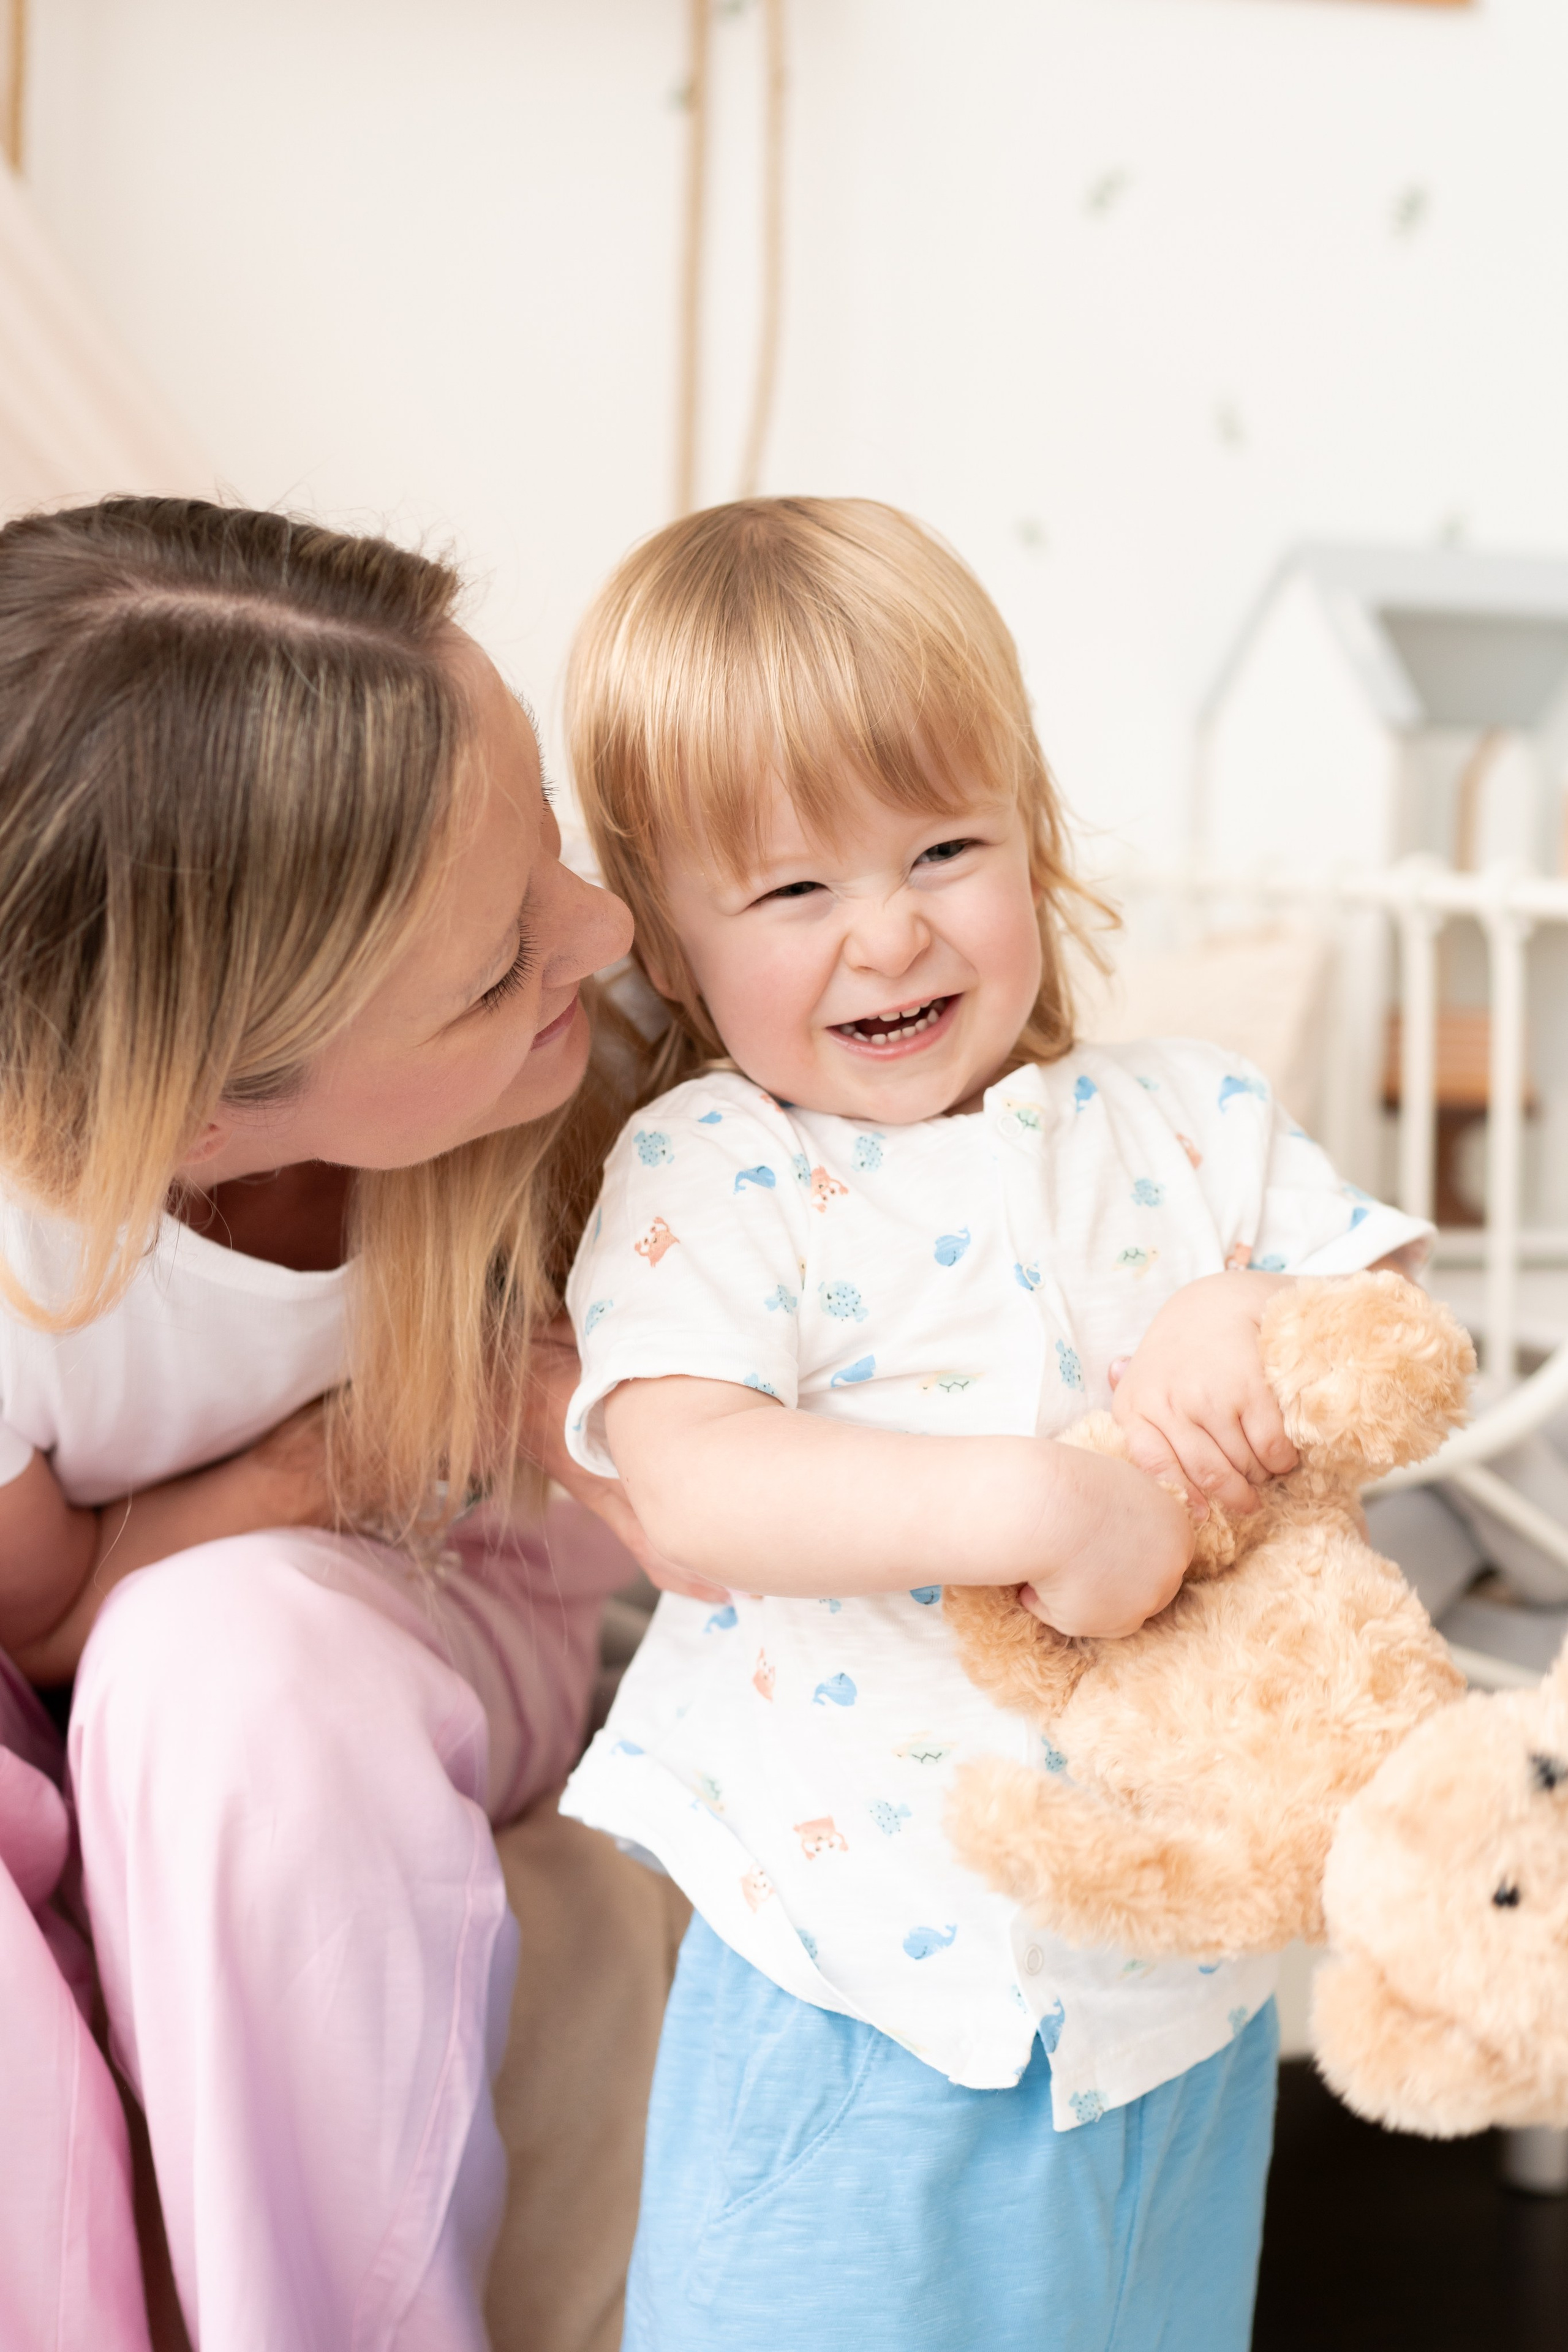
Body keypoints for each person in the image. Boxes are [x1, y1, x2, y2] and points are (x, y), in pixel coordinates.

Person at [554, 497, 1433, 2352]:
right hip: (859, 1992)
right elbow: (694, 1482)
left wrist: (1245, 1313)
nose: (889, 933)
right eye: (792, 892)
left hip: (1177, 2000)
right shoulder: (716, 1167)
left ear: (1030, 830)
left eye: (945, 849)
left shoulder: (1190, 1115)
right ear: (672, 944)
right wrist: (1038, 1506)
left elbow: (1391, 1322)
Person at [0, 496, 681, 2351]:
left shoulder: (609, 1097)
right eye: (499, 965)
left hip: (441, 1581)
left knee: (216, 1665)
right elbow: (36, 1615)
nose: (607, 927)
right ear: (194, 1115)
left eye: (548, 835)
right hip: (95, 1609)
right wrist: (330, 1452)